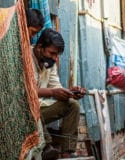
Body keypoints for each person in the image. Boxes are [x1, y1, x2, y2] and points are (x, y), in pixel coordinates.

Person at [32, 28, 86, 159]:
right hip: (26, 110)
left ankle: (67, 151)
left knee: (72, 105)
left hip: (42, 108)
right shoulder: (26, 57)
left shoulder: (49, 63)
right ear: (40, 47)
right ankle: (46, 147)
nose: (55, 58)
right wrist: (52, 92)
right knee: (30, 107)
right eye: (52, 53)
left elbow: (55, 86)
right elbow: (26, 91)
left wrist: (70, 92)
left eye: (57, 55)